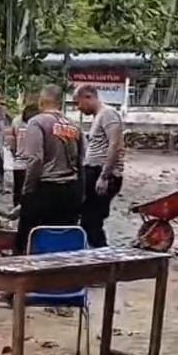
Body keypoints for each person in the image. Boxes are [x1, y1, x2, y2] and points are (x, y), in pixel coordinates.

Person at [17, 85, 83, 254]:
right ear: (60, 102)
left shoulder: (37, 122)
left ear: (42, 101)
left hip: (46, 188)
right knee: (63, 237)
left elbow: (35, 159)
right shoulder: (74, 126)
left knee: (28, 236)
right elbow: (82, 161)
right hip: (70, 189)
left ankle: (26, 268)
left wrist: (28, 190)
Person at [75, 85, 125, 247]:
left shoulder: (108, 114)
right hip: (94, 171)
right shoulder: (99, 116)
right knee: (88, 220)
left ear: (88, 97)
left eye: (78, 102)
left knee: (92, 221)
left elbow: (115, 145)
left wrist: (104, 176)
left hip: (103, 172)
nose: (78, 107)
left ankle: (101, 254)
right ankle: (96, 253)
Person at [8, 101, 39, 206]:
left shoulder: (16, 121)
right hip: (34, 163)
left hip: (19, 163)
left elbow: (12, 143)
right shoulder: (38, 122)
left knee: (18, 192)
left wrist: (15, 154)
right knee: (31, 193)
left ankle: (17, 210)